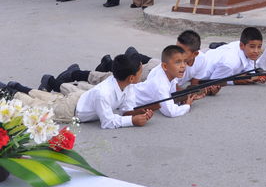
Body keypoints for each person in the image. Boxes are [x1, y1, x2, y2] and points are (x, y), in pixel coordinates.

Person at [0, 54, 152, 129]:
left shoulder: (127, 85)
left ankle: (17, 86)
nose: (142, 74)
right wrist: (131, 121)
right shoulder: (104, 93)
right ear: (131, 78)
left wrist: (136, 113)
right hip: (70, 111)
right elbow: (107, 122)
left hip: (78, 98)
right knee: (35, 106)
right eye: (140, 72)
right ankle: (7, 91)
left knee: (49, 97)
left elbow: (125, 109)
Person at [133, 45, 205, 118]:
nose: (183, 66)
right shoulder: (161, 84)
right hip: (128, 98)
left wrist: (185, 98)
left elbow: (170, 95)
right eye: (178, 62)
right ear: (165, 66)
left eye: (185, 61)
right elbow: (170, 112)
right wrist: (187, 105)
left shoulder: (166, 73)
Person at [196, 27, 265, 84]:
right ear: (241, 46)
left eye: (259, 47)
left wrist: (255, 76)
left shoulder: (248, 51)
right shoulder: (230, 63)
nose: (256, 51)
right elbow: (214, 81)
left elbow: (249, 67)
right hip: (198, 70)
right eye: (252, 47)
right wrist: (236, 81)